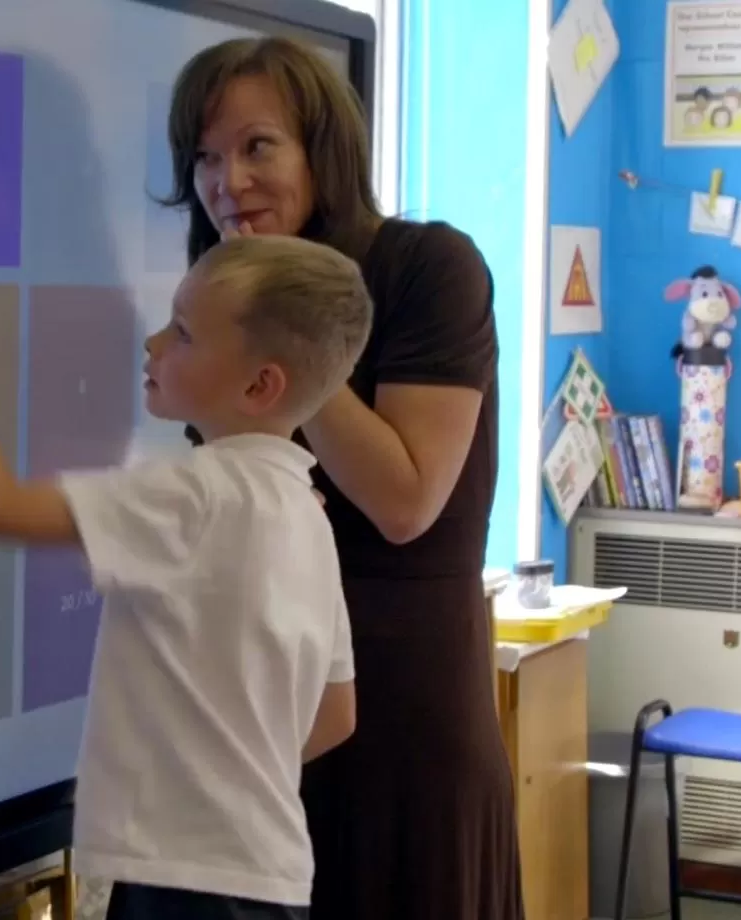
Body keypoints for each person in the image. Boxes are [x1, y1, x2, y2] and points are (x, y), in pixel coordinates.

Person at [0, 214, 372, 920]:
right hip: (272, 879)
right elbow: (336, 714)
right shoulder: (309, 517)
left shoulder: (196, 494)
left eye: (184, 333)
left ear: (260, 386)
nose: (154, 343)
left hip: (183, 886)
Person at [162, 37, 523, 919]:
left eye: (257, 148)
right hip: (268, 728)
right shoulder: (218, 302)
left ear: (323, 149)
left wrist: (287, 329)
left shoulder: (427, 268)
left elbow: (406, 501)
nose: (227, 184)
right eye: (206, 157)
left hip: (407, 725)